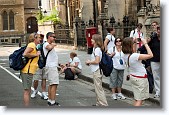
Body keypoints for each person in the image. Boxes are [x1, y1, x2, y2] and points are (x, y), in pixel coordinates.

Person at [122, 37, 153, 106]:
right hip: (140, 79)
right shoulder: (134, 56)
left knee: (137, 98)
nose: (136, 44)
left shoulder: (125, 55)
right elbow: (151, 55)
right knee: (139, 100)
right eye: (135, 43)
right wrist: (145, 43)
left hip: (134, 77)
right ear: (131, 45)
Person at [85, 34, 108, 106]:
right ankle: (99, 103)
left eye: (92, 39)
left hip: (97, 70)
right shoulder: (95, 49)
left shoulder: (97, 49)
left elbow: (97, 61)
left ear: (96, 41)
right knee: (97, 87)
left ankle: (103, 104)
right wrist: (90, 63)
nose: (91, 40)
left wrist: (89, 62)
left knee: (99, 88)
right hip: (95, 70)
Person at [21, 33, 41, 106]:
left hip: (30, 71)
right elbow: (25, 54)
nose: (40, 39)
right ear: (35, 38)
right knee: (27, 91)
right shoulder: (32, 45)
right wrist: (36, 54)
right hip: (27, 71)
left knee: (28, 90)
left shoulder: (34, 45)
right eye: (38, 37)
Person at [43, 32, 60, 106]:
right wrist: (53, 45)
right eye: (53, 37)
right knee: (54, 84)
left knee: (51, 84)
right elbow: (49, 47)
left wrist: (59, 64)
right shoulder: (46, 44)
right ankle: (52, 101)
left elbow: (52, 57)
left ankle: (50, 100)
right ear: (49, 37)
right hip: (51, 67)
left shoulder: (48, 44)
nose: (55, 38)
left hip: (52, 66)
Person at [31, 33, 48, 100]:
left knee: (44, 79)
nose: (41, 38)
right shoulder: (36, 45)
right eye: (39, 37)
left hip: (45, 63)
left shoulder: (45, 44)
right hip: (37, 64)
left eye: (42, 37)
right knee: (36, 79)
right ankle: (35, 90)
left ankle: (43, 92)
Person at [148, 24, 160, 98]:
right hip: (154, 60)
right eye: (158, 29)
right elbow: (147, 46)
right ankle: (158, 91)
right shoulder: (153, 38)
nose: (159, 31)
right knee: (156, 77)